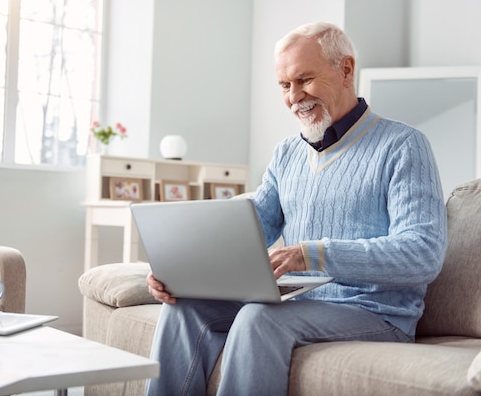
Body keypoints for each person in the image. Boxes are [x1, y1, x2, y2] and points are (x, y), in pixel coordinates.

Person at [145, 22, 447, 396]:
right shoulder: (287, 152)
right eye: (285, 86)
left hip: (377, 312)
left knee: (259, 318)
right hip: (300, 300)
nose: (294, 97)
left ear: (346, 70)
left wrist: (312, 254)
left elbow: (423, 253)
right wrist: (180, 267)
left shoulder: (403, 146)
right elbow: (254, 223)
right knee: (184, 308)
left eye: (304, 80)